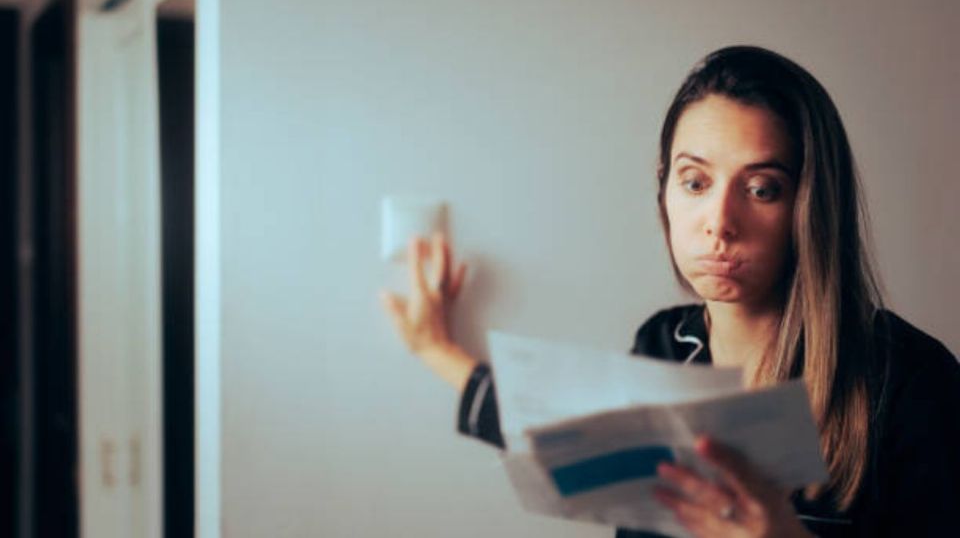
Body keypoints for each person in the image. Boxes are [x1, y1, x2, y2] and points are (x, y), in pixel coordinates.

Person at [379, 46, 960, 538]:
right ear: (664, 190)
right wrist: (437, 350)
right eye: (695, 182)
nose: (719, 222)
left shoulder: (911, 381)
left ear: (812, 205)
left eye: (762, 188)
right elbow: (557, 439)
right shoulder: (662, 344)